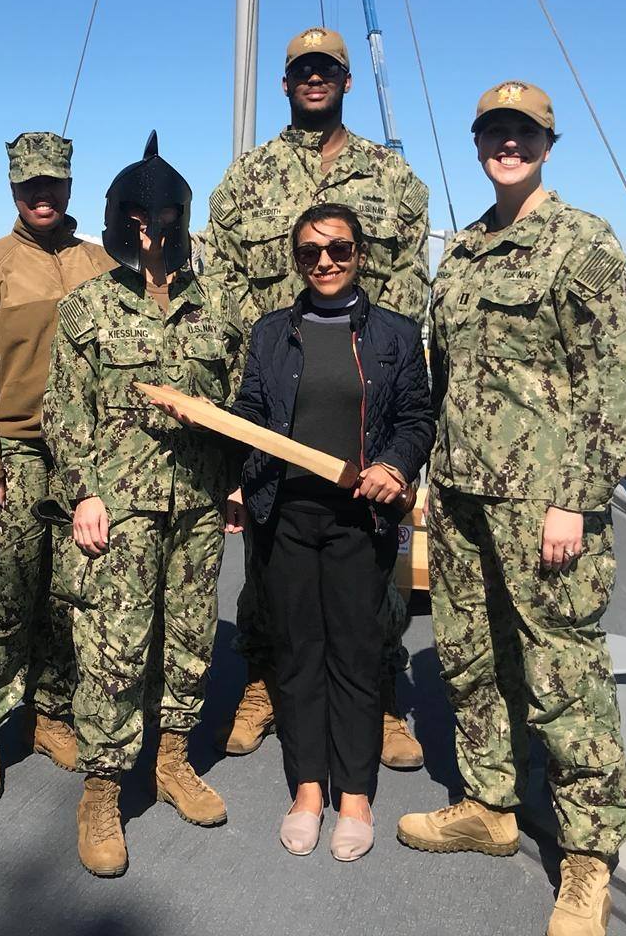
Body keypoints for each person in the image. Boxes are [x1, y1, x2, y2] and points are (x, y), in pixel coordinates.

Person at [395, 83, 626, 936]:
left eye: (524, 134)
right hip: (462, 493)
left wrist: (576, 499)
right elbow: (445, 376)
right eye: (495, 134)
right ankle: (489, 803)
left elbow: (616, 386)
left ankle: (587, 860)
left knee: (561, 670)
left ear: (548, 142)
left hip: (545, 502)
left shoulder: (582, 246)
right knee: (469, 654)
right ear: (478, 144)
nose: (509, 145)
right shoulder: (461, 253)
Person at [202, 26, 430, 769]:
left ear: (345, 79)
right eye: (302, 70)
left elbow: (410, 282)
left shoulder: (391, 179)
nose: (314, 79)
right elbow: (224, 278)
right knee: (272, 548)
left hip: (364, 389)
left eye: (326, 69)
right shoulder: (246, 179)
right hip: (276, 394)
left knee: (373, 552)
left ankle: (382, 691)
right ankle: (263, 679)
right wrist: (270, 347)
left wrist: (378, 358)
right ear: (286, 82)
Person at [43, 132, 247, 877]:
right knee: (113, 648)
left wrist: (232, 480)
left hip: (195, 505)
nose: (149, 231)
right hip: (118, 508)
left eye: (158, 219)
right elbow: (64, 412)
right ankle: (101, 789)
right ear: (121, 220)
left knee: (190, 641)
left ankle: (171, 761)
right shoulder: (87, 308)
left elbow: (237, 403)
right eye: (137, 218)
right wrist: (85, 493)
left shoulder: (219, 307)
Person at [228, 202, 434, 861]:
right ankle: (309, 789)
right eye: (310, 253)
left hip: (360, 521)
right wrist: (242, 475)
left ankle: (354, 794)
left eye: (339, 249)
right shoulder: (269, 334)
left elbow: (415, 419)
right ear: (296, 260)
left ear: (360, 255)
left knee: (354, 653)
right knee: (297, 653)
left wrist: (396, 465)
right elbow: (252, 415)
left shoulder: (396, 336)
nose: (325, 262)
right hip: (285, 518)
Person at [0, 132, 115, 802]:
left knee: (67, 595)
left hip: (81, 459)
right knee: (3, 594)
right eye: (28, 186)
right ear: (13, 189)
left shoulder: (102, 263)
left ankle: (51, 713)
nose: (41, 196)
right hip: (13, 451)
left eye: (52, 184)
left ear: (70, 186)